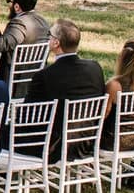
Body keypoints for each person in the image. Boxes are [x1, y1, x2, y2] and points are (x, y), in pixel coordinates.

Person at [26, 19, 108, 157]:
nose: (47, 38)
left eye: (49, 35)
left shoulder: (45, 76)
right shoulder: (95, 68)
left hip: (53, 147)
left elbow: (28, 116)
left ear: (56, 43)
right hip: (86, 142)